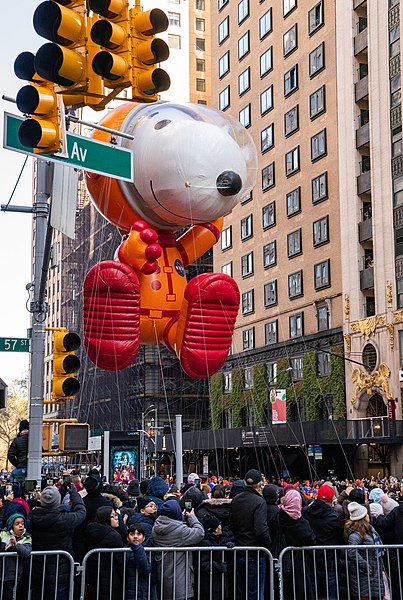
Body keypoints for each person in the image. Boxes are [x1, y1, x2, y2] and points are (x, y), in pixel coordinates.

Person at [30, 484, 86, 600]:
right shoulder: (63, 519)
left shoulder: (34, 518)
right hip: (60, 571)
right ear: (58, 502)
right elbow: (81, 512)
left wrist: (63, 490)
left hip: (39, 569)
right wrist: (74, 494)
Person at [230, 469, 271, 600]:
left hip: (239, 549)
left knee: (241, 591)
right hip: (255, 552)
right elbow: (261, 529)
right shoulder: (259, 502)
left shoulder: (236, 500)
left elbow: (231, 524)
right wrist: (268, 543)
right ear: (260, 485)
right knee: (255, 592)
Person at [152, 498, 204, 600]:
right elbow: (199, 533)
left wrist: (182, 519)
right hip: (179, 582)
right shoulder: (180, 532)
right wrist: (192, 517)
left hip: (163, 577)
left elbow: (172, 527)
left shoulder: (156, 527)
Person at [303, 484, 344, 600]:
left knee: (313, 589)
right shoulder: (334, 517)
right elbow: (342, 533)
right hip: (329, 558)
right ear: (331, 500)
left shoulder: (306, 512)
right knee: (331, 590)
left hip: (311, 557)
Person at [279, 488, 316, 600]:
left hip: (283, 559)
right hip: (299, 561)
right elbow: (311, 539)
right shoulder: (301, 523)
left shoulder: (278, 517)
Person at [344, 501, 385, 600]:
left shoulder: (369, 530)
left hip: (373, 573)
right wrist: (365, 566)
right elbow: (351, 551)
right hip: (364, 575)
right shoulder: (355, 534)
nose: (368, 515)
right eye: (366, 514)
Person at [85, 506, 127, 600]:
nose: (117, 518)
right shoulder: (114, 537)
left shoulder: (90, 530)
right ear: (105, 518)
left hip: (94, 577)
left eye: (116, 515)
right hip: (112, 578)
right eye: (112, 516)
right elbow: (120, 562)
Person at [199, 514, 234, 600]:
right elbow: (203, 565)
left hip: (220, 583)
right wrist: (218, 567)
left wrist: (230, 546)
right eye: (219, 524)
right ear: (215, 529)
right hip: (210, 584)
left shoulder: (220, 538)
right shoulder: (206, 543)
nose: (221, 526)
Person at [0, 513, 32, 600]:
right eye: (17, 524)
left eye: (22, 523)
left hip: (13, 575)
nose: (21, 526)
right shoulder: (3, 534)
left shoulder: (27, 537)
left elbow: (26, 552)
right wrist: (5, 544)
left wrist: (16, 545)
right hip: (2, 571)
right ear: (11, 526)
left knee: (9, 596)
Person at [125, 524, 155, 600]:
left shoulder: (148, 551)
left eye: (139, 534)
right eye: (132, 534)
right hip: (130, 591)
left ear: (144, 538)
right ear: (127, 538)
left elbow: (145, 569)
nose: (135, 536)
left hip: (144, 591)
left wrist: (138, 549)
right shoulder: (125, 551)